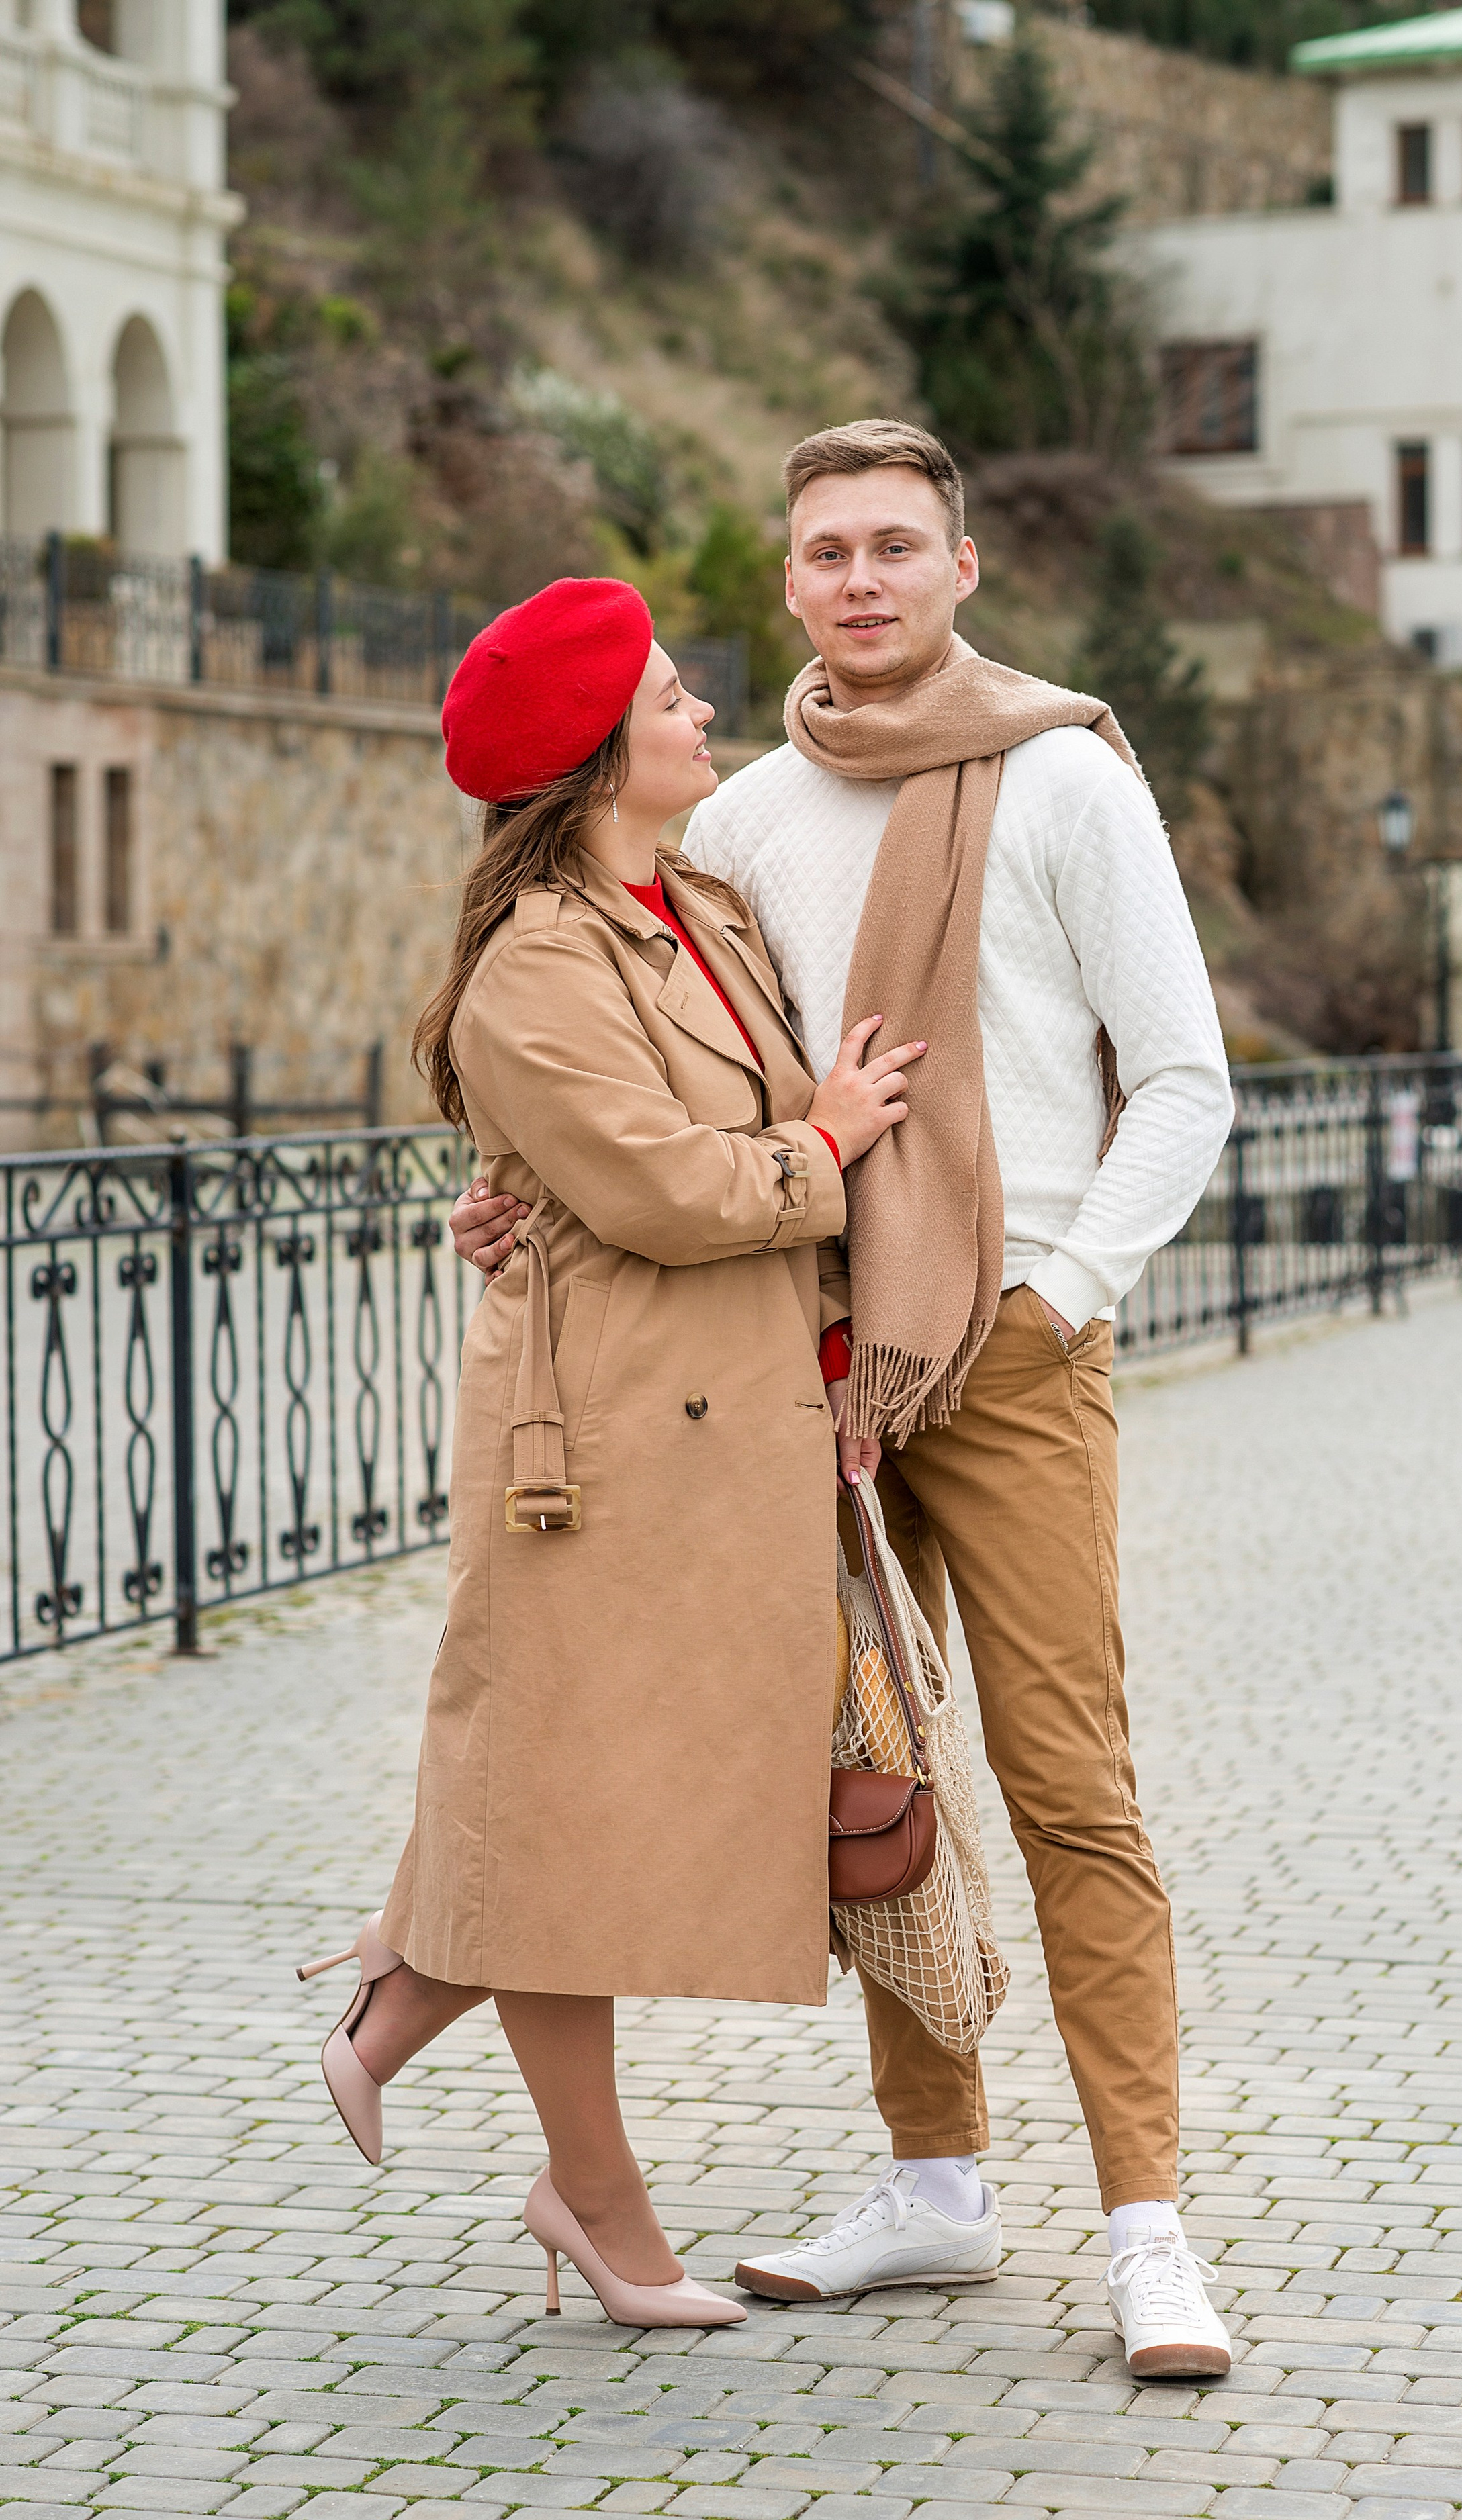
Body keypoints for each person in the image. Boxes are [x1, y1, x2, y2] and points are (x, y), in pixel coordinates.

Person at [451, 422, 1237, 2378]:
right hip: (806, 1367)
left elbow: (1189, 1083)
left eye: (899, 544)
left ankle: (1148, 2222)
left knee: (1071, 1786)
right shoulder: (743, 825)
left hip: (1019, 1359)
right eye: (827, 552)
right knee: (874, 1784)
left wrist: (1059, 1301)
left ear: (965, 568)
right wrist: (517, 1189)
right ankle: (937, 2181)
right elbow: (670, 1079)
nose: (862, 579)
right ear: (789, 581)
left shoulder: (1061, 780)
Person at [299, 574, 925, 2333]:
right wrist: (830, 1140)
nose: (700, 711)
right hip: (595, 1453)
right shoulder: (536, 963)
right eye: (666, 696)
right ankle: (592, 2196)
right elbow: (657, 1179)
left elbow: (648, 1157)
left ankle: (406, 1984)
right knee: (563, 1813)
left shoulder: (696, 903)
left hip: (716, 1427)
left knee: (571, 1800)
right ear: (597, 753)